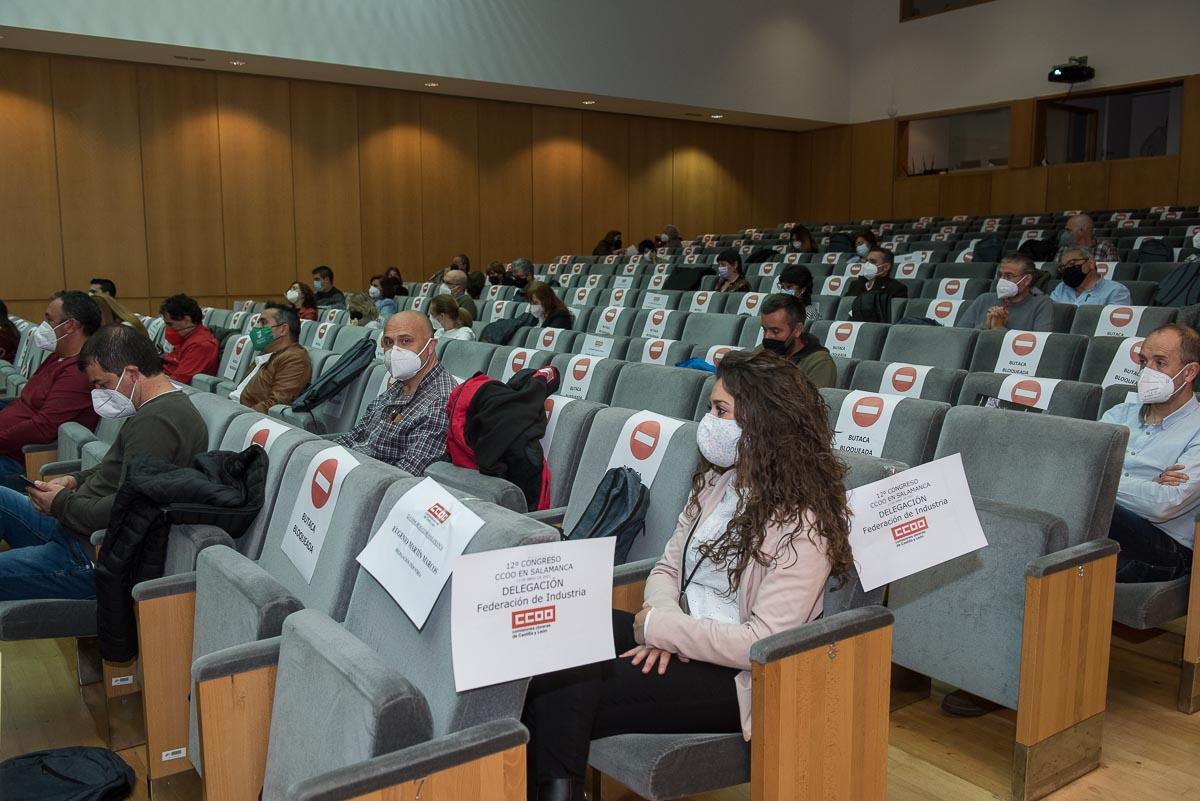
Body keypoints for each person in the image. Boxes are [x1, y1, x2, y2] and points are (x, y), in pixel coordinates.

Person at [522, 349, 852, 800]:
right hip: (677, 631)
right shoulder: (717, 482)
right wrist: (660, 621)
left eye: (721, 410)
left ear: (764, 422)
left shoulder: (804, 522)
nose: (708, 421)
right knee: (556, 633)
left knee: (569, 680)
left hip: (740, 679)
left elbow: (762, 641)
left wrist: (664, 629)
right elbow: (666, 566)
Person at [0, 323, 207, 601]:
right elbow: (117, 465)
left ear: (132, 373)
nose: (98, 394)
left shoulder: (158, 421)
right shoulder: (151, 409)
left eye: (103, 384)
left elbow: (128, 507)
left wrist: (60, 503)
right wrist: (76, 480)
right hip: (76, 527)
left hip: (89, 552)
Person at [1101, 323, 1200, 583]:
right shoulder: (1117, 414)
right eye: (1144, 361)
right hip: (1106, 535)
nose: (1147, 372)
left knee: (1095, 508)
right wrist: (1146, 485)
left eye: (1160, 363)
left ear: (1189, 372)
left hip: (1165, 549)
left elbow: (1164, 505)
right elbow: (1079, 471)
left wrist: (1104, 481)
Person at [0, 292, 101, 492]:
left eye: (49, 319)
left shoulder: (78, 371)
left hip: (22, 460)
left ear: (70, 325)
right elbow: (26, 402)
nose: (42, 325)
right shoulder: (59, 356)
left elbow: (44, 427)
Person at [336, 311, 454, 474]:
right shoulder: (403, 383)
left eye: (406, 341)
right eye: (388, 342)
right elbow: (355, 436)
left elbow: (406, 476)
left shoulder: (440, 402)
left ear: (431, 346)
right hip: (352, 468)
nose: (395, 351)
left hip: (371, 483)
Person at [231, 304, 311, 413]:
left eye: (263, 323)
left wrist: (236, 417)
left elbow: (275, 405)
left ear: (283, 329)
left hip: (245, 418)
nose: (256, 327)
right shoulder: (265, 354)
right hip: (232, 409)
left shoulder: (295, 358)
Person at [956, 254, 1053, 332]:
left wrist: (999, 329)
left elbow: (1039, 345)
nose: (1002, 280)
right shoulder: (984, 299)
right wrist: (986, 325)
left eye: (1009, 276)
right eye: (1000, 275)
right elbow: (959, 336)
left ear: (1027, 279)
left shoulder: (1042, 303)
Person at [759, 294, 836, 388]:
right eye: (765, 330)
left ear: (797, 330)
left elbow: (816, 401)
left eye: (775, 331)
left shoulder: (819, 362)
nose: (767, 336)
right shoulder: (761, 350)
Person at [159, 294, 219, 384]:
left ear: (187, 320)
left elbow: (177, 382)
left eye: (170, 324)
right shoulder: (186, 339)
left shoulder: (200, 345)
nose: (167, 328)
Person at [1050, 246, 1132, 307]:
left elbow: (1114, 325)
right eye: (1063, 267)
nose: (1067, 269)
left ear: (1091, 263)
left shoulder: (1116, 291)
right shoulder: (1061, 288)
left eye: (1072, 263)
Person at [844, 247, 907, 323]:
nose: (867, 265)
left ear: (886, 267)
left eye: (872, 262)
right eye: (867, 261)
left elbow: (892, 318)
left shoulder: (897, 288)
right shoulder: (856, 284)